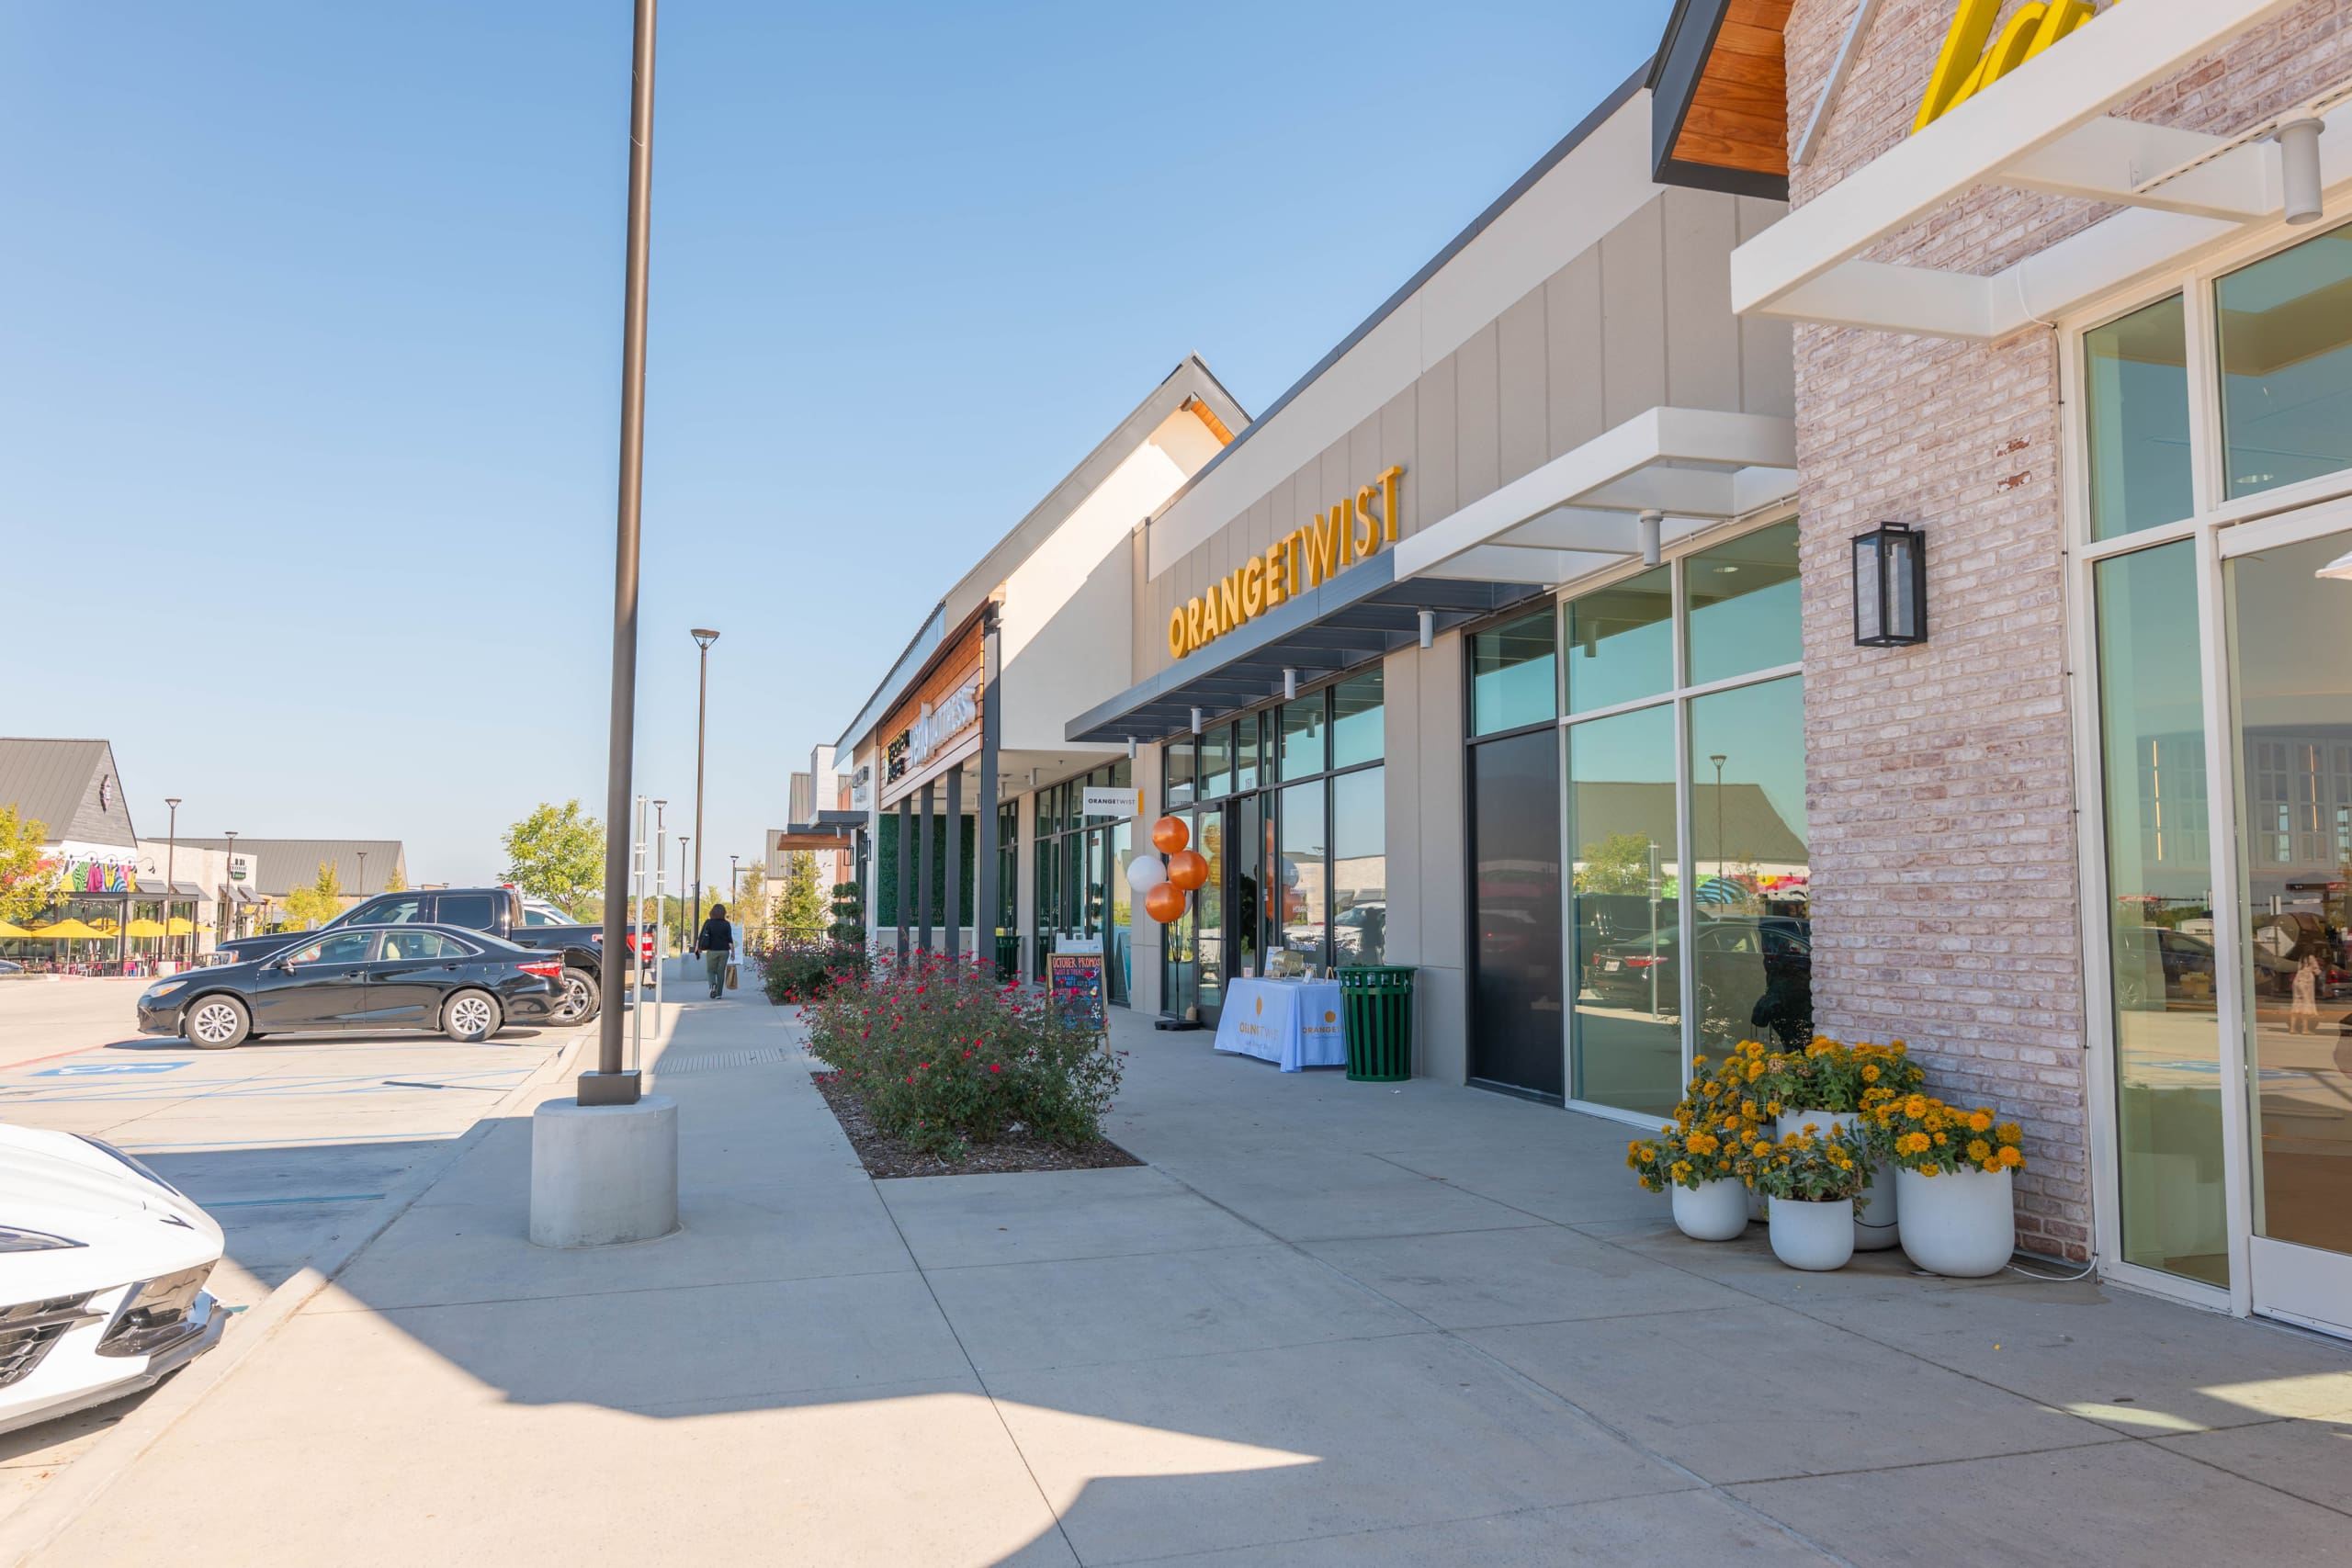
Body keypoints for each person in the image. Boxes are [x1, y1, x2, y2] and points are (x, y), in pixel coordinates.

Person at [695, 902, 734, 1000]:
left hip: (712, 951)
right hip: (724, 952)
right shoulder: (726, 924)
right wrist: (733, 953)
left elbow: (701, 936)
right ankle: (718, 994)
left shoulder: (708, 923)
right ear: (723, 913)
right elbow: (730, 940)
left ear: (712, 912)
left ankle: (712, 985)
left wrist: (698, 948)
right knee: (721, 973)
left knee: (710, 971)